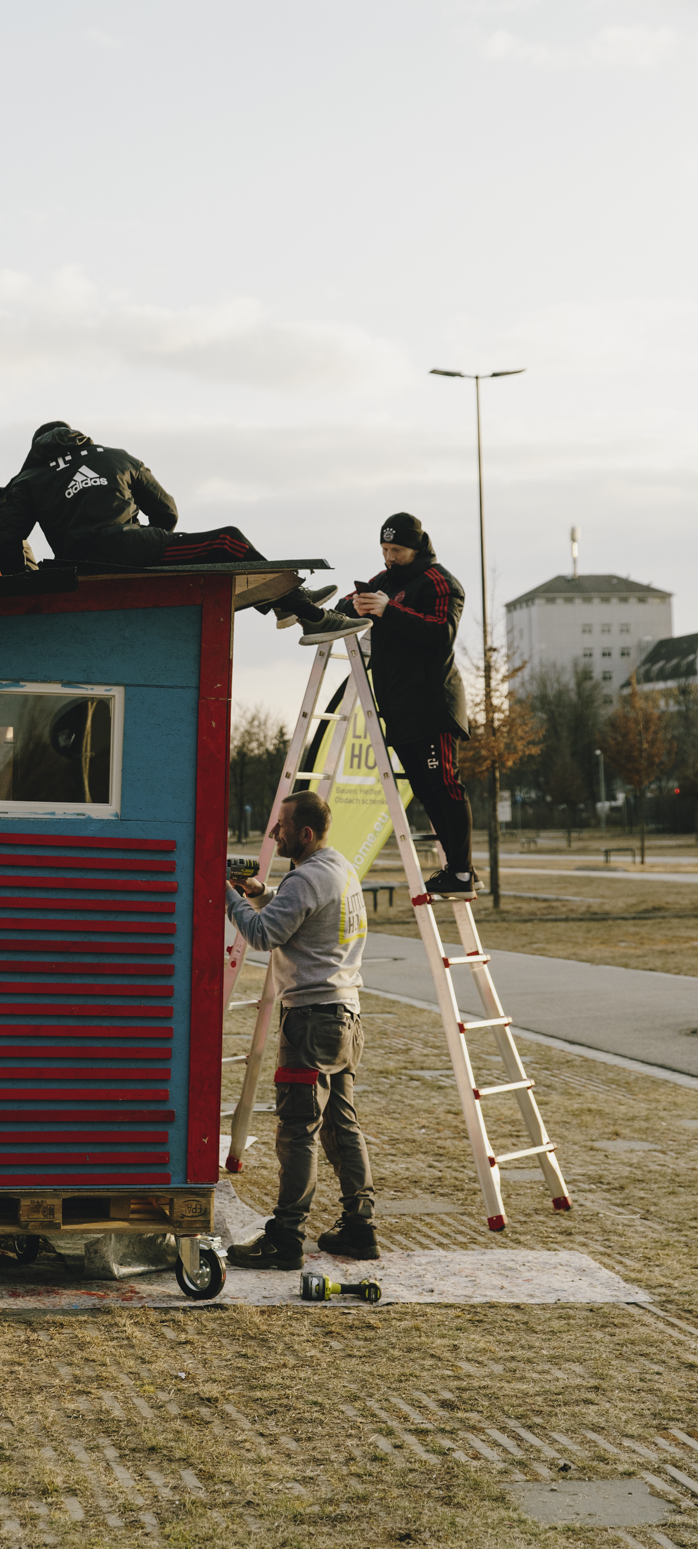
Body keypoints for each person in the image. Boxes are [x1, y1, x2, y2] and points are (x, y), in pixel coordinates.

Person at [0, 422, 371, 642]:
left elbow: (7, 540)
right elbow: (166, 511)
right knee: (228, 540)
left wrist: (26, 593)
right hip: (128, 548)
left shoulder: (29, 479)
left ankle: (287, 603)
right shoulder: (116, 457)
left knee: (224, 545)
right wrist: (151, 544)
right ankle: (308, 615)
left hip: (74, 565)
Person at [223, 789, 378, 1268]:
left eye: (282, 827)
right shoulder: (339, 868)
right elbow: (300, 909)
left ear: (305, 833)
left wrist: (225, 894)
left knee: (297, 1130)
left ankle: (285, 1238)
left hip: (309, 1023)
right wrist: (259, 892)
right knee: (340, 1125)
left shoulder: (306, 878)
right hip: (345, 1017)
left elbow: (263, 933)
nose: (274, 833)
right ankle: (360, 1227)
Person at [341, 511, 478, 898]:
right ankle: (459, 869)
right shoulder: (384, 580)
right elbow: (346, 604)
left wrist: (389, 610)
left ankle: (462, 872)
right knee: (425, 788)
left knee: (445, 784)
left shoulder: (440, 582)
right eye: (384, 550)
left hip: (432, 703)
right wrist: (355, 606)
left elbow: (441, 634)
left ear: (416, 548)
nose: (389, 558)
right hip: (397, 706)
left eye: (396, 550)